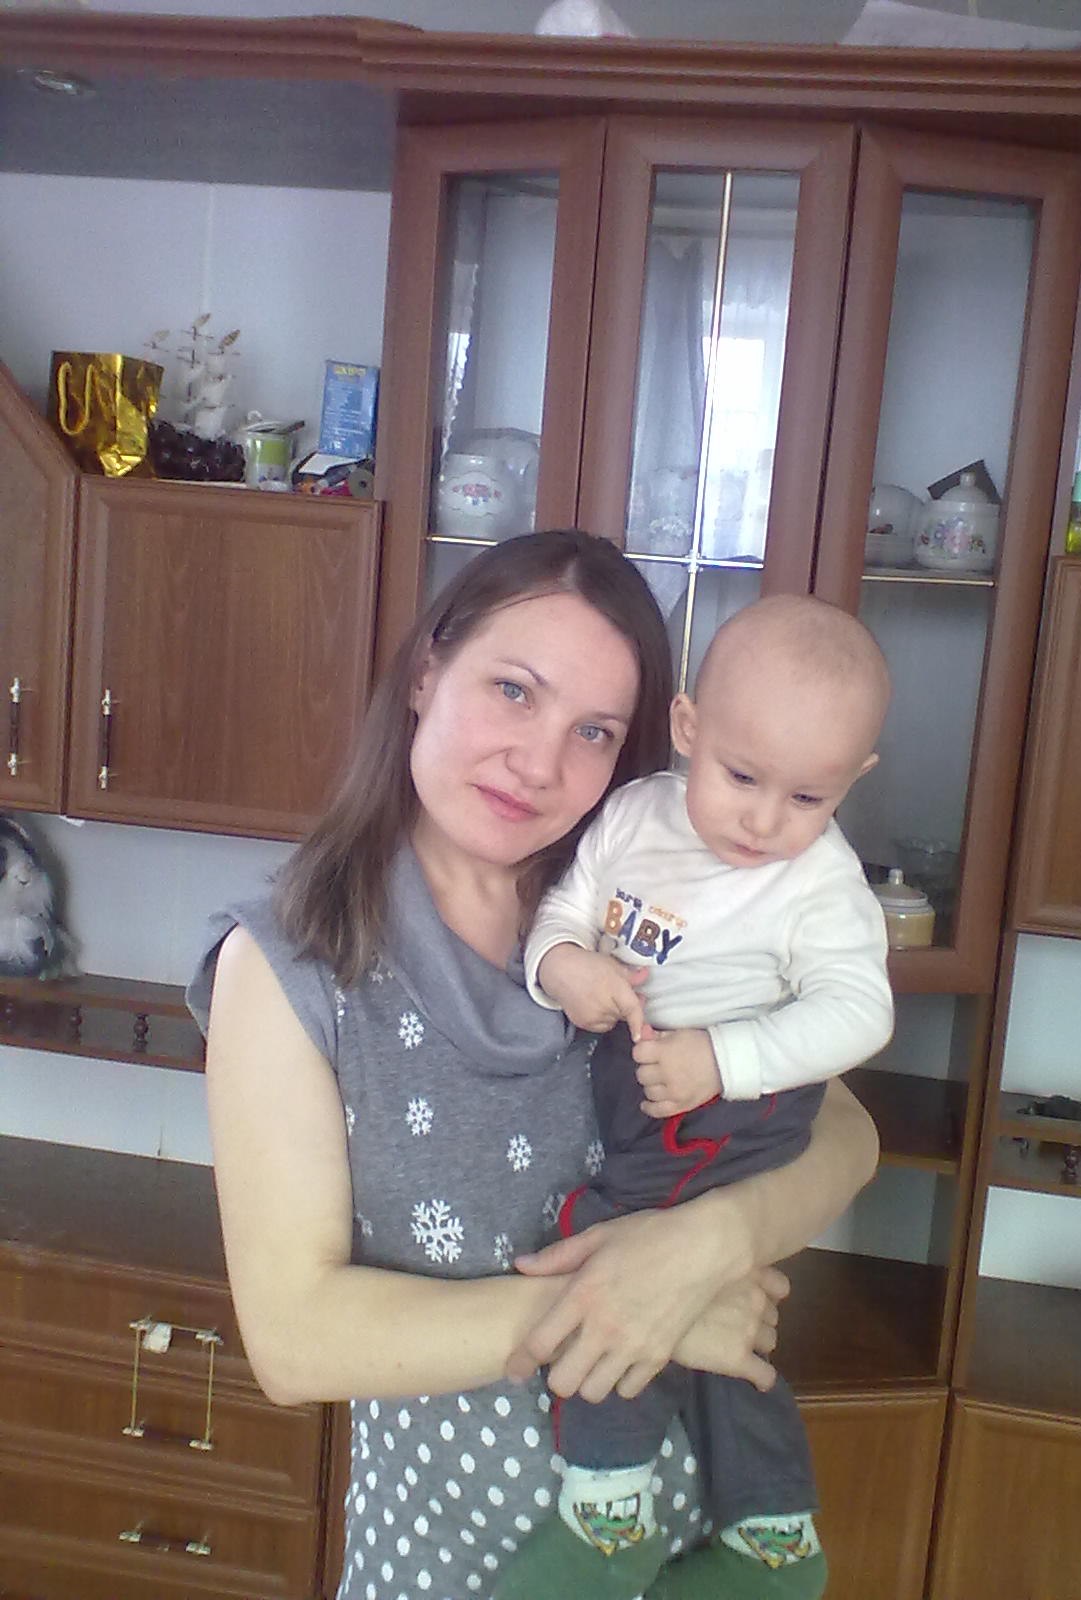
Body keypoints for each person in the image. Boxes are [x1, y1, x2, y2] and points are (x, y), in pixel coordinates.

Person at [188, 531, 880, 1600]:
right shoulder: (291, 966)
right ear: (427, 672)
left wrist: (712, 1244)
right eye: (513, 690)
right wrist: (631, 1302)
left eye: (592, 730)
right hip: (452, 1565)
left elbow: (844, 1130)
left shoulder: (642, 904)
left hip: (694, 1550)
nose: (540, 763)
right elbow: (295, 1340)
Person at [503, 595, 893, 1600]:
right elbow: (567, 907)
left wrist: (724, 1058)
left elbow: (860, 1015)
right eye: (741, 777)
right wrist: (563, 965)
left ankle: (606, 1511)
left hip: (732, 1109)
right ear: (687, 729)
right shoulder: (636, 814)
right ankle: (774, 1533)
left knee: (608, 1248)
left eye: (807, 798)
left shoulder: (821, 885)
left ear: (853, 780)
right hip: (638, 1085)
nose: (765, 821)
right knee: (710, 1303)